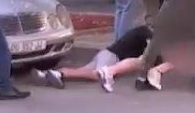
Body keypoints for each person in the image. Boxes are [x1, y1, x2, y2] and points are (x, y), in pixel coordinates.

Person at [35, 24, 173, 92]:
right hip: (113, 56)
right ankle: (55, 74)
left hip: (106, 53)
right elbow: (151, 51)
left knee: (84, 71)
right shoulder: (147, 32)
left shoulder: (143, 30)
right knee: (97, 75)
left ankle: (55, 73)